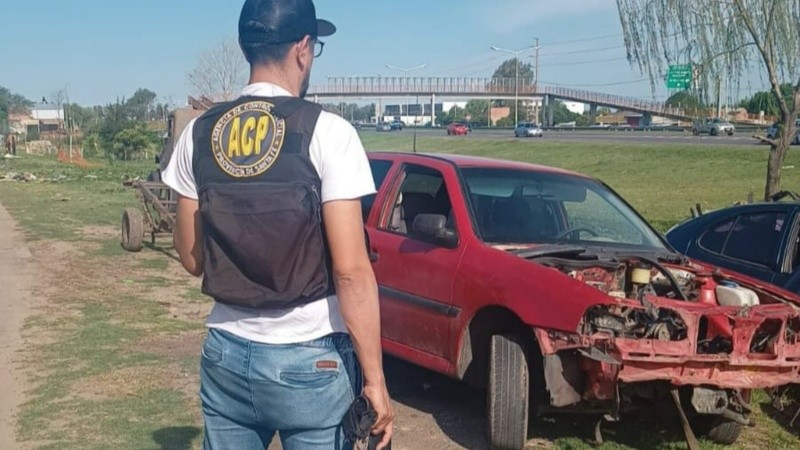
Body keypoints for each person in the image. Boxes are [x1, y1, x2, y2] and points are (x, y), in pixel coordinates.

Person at [162, 0, 394, 448]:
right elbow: (350, 271)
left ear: (245, 47)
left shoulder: (198, 133)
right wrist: (375, 381)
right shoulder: (328, 132)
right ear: (303, 49)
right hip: (309, 359)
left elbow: (192, 258)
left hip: (226, 355)